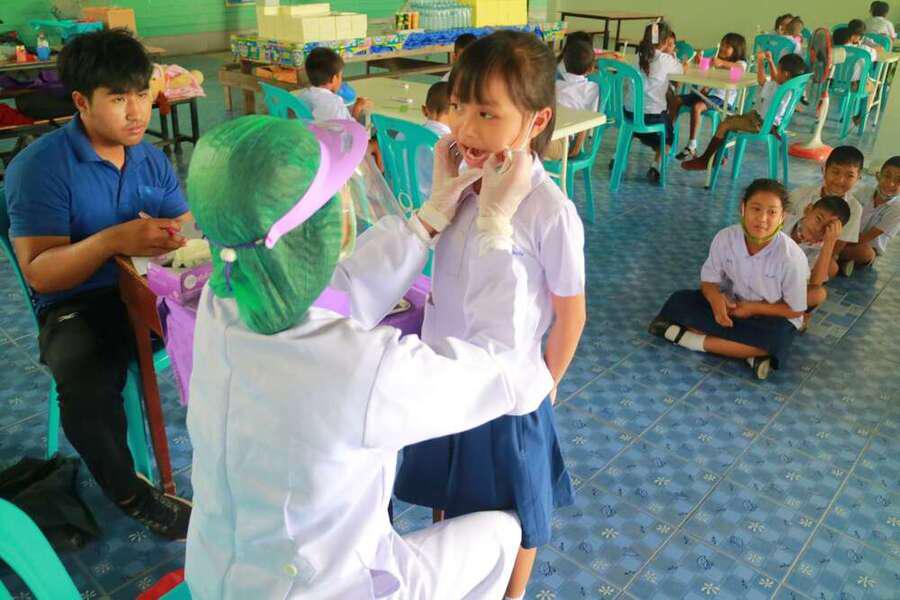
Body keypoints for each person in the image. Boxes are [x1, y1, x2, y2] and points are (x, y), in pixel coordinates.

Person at [184, 114, 553, 598]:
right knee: (502, 534)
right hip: (327, 590)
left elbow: (340, 290)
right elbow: (502, 369)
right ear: (316, 235)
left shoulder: (223, 301)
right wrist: (495, 230)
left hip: (219, 574)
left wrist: (425, 223)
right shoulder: (358, 369)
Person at [394, 31, 586, 600]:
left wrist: (548, 382)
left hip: (505, 396)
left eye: (487, 113)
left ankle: (510, 594)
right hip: (443, 375)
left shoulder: (548, 210)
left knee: (512, 512)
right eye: (458, 106)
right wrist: (439, 202)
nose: (466, 128)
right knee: (447, 492)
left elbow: (571, 313)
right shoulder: (460, 187)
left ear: (536, 119)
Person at [5, 29, 193, 539]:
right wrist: (112, 240)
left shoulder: (149, 158)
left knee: (236, 325)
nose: (136, 112)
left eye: (142, 95)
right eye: (117, 98)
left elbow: (184, 229)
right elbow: (40, 271)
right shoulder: (40, 168)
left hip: (150, 289)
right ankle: (132, 494)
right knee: (84, 382)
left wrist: (183, 237)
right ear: (81, 102)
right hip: (80, 303)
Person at [649, 179, 809, 380]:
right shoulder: (725, 237)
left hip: (770, 315)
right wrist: (716, 300)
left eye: (772, 212)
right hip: (732, 305)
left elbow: (795, 309)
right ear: (743, 208)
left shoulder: (791, 257)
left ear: (782, 217)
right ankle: (748, 354)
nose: (762, 219)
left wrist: (753, 308)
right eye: (756, 209)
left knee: (776, 338)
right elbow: (709, 281)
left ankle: (686, 339)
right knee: (680, 301)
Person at [682, 52, 806, 170]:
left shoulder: (778, 90)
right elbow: (776, 79)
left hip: (760, 124)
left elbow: (762, 81)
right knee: (729, 122)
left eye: (778, 70)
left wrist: (760, 62)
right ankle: (720, 157)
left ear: (786, 74)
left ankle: (705, 160)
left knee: (724, 124)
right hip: (773, 125)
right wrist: (770, 61)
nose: (776, 72)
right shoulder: (789, 88)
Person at [789, 145, 865, 276]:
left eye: (850, 176)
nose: (840, 180)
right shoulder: (800, 194)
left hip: (818, 252)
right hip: (788, 244)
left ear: (858, 178)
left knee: (831, 267)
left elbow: (838, 246)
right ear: (824, 170)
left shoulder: (854, 209)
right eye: (835, 172)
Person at [625, 20, 685, 183]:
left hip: (628, 115)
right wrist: (674, 58)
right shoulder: (666, 60)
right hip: (652, 118)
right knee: (668, 136)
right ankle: (656, 166)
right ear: (665, 42)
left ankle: (618, 156)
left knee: (639, 129)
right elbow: (681, 71)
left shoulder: (636, 57)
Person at [673, 33, 748, 160]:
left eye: (727, 46)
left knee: (697, 107)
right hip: (708, 94)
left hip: (722, 99)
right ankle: (669, 134)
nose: (723, 48)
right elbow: (705, 71)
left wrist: (722, 63)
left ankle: (691, 145)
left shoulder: (740, 62)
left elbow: (739, 68)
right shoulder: (717, 60)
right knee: (676, 100)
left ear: (737, 50)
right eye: (722, 45)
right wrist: (700, 61)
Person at [783, 196, 851, 321]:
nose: (818, 229)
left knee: (818, 294)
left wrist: (829, 243)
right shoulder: (782, 219)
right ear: (808, 210)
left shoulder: (822, 248)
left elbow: (815, 285)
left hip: (783, 292)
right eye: (818, 219)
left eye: (828, 228)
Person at [544, 36, 600, 160]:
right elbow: (589, 118)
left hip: (558, 139)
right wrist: (578, 146)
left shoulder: (555, 84)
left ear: (564, 63)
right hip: (558, 138)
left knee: (528, 141)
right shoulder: (591, 88)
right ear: (591, 68)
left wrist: (577, 146)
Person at [840, 155, 900, 268]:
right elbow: (845, 212)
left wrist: (840, 242)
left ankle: (834, 254)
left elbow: (866, 238)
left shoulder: (897, 209)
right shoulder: (864, 191)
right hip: (848, 235)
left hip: (866, 244)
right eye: (887, 176)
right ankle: (843, 260)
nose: (891, 184)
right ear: (878, 176)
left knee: (865, 253)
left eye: (899, 180)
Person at [296, 46, 372, 121]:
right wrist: (357, 108)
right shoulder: (335, 103)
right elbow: (349, 127)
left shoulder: (302, 97)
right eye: (341, 76)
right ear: (334, 78)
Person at [417, 80, 452, 198]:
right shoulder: (451, 144)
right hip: (432, 204)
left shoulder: (402, 135)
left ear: (424, 110)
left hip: (401, 198)